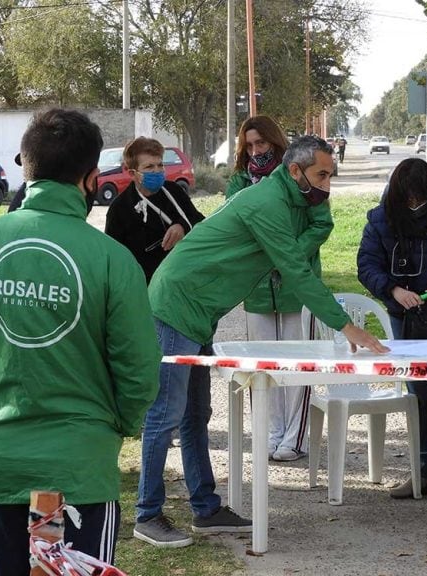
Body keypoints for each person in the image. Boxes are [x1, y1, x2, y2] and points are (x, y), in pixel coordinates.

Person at [0, 108, 161, 575]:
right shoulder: (112, 260)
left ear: (25, 164)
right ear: (91, 178)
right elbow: (139, 367)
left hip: (3, 463)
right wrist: (118, 426)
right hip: (80, 468)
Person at [135, 135, 389, 548]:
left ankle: (205, 509)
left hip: (198, 309)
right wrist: (348, 327)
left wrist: (304, 224)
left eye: (330, 175)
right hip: (176, 303)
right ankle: (147, 515)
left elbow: (302, 244)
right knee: (165, 415)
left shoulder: (292, 198)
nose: (327, 184)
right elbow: (296, 270)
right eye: (321, 174)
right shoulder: (269, 203)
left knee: (195, 415)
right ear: (295, 171)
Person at [357, 158, 427, 506]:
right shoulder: (380, 218)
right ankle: (423, 472)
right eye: (407, 200)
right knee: (417, 394)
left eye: (419, 199)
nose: (413, 206)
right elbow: (367, 265)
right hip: (405, 319)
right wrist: (392, 290)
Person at [226, 116, 333, 462]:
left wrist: (287, 256)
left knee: (297, 364)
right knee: (262, 365)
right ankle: (269, 433)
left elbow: (322, 224)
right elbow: (234, 227)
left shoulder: (303, 176)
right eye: (251, 145)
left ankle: (294, 437)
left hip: (295, 286)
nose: (257, 151)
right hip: (257, 288)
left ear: (275, 143)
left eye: (263, 144)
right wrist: (265, 257)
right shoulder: (239, 183)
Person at [105, 137, 204, 284]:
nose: (157, 171)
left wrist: (182, 226)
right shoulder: (119, 209)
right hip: (144, 286)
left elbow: (199, 221)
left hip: (182, 278)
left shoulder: (174, 191)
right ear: (132, 173)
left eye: (160, 165)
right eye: (149, 167)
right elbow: (113, 258)